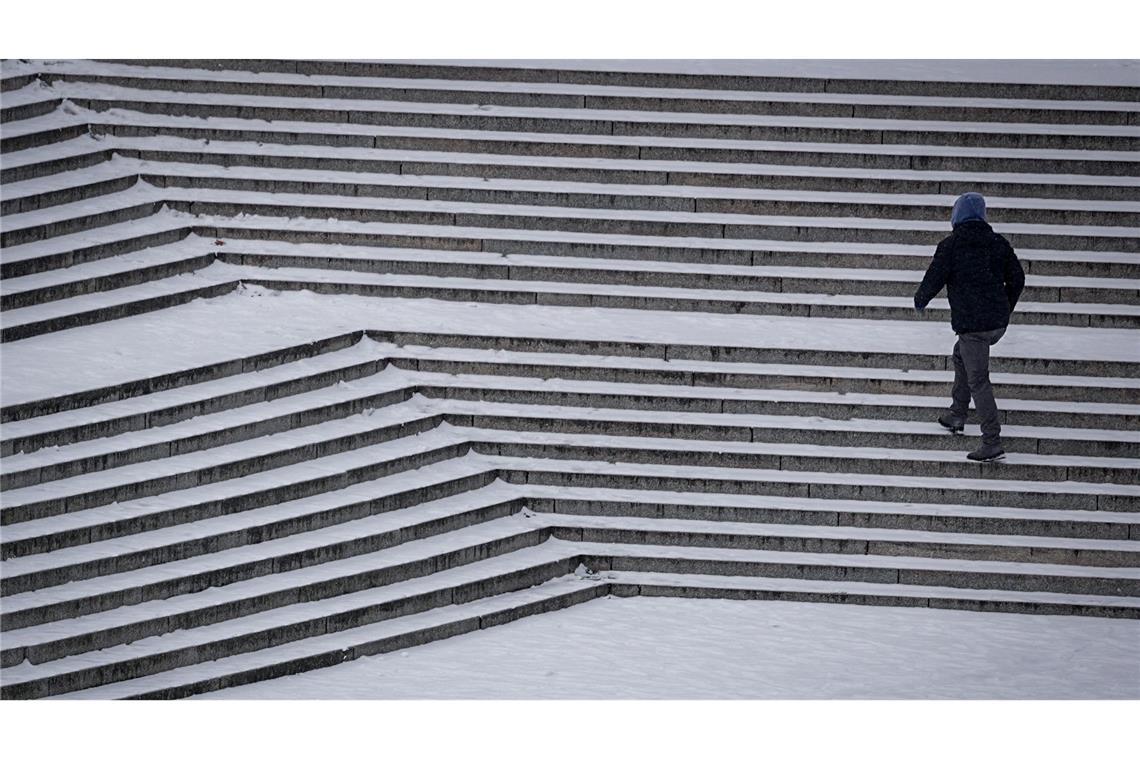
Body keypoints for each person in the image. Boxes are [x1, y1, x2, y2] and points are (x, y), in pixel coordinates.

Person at [914, 192, 1025, 462]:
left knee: (978, 380)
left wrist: (921, 299)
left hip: (974, 325)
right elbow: (1018, 277)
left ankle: (992, 442)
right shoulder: (997, 242)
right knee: (960, 355)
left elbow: (934, 277)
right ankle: (957, 414)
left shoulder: (952, 245)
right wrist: (1005, 308)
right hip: (996, 324)